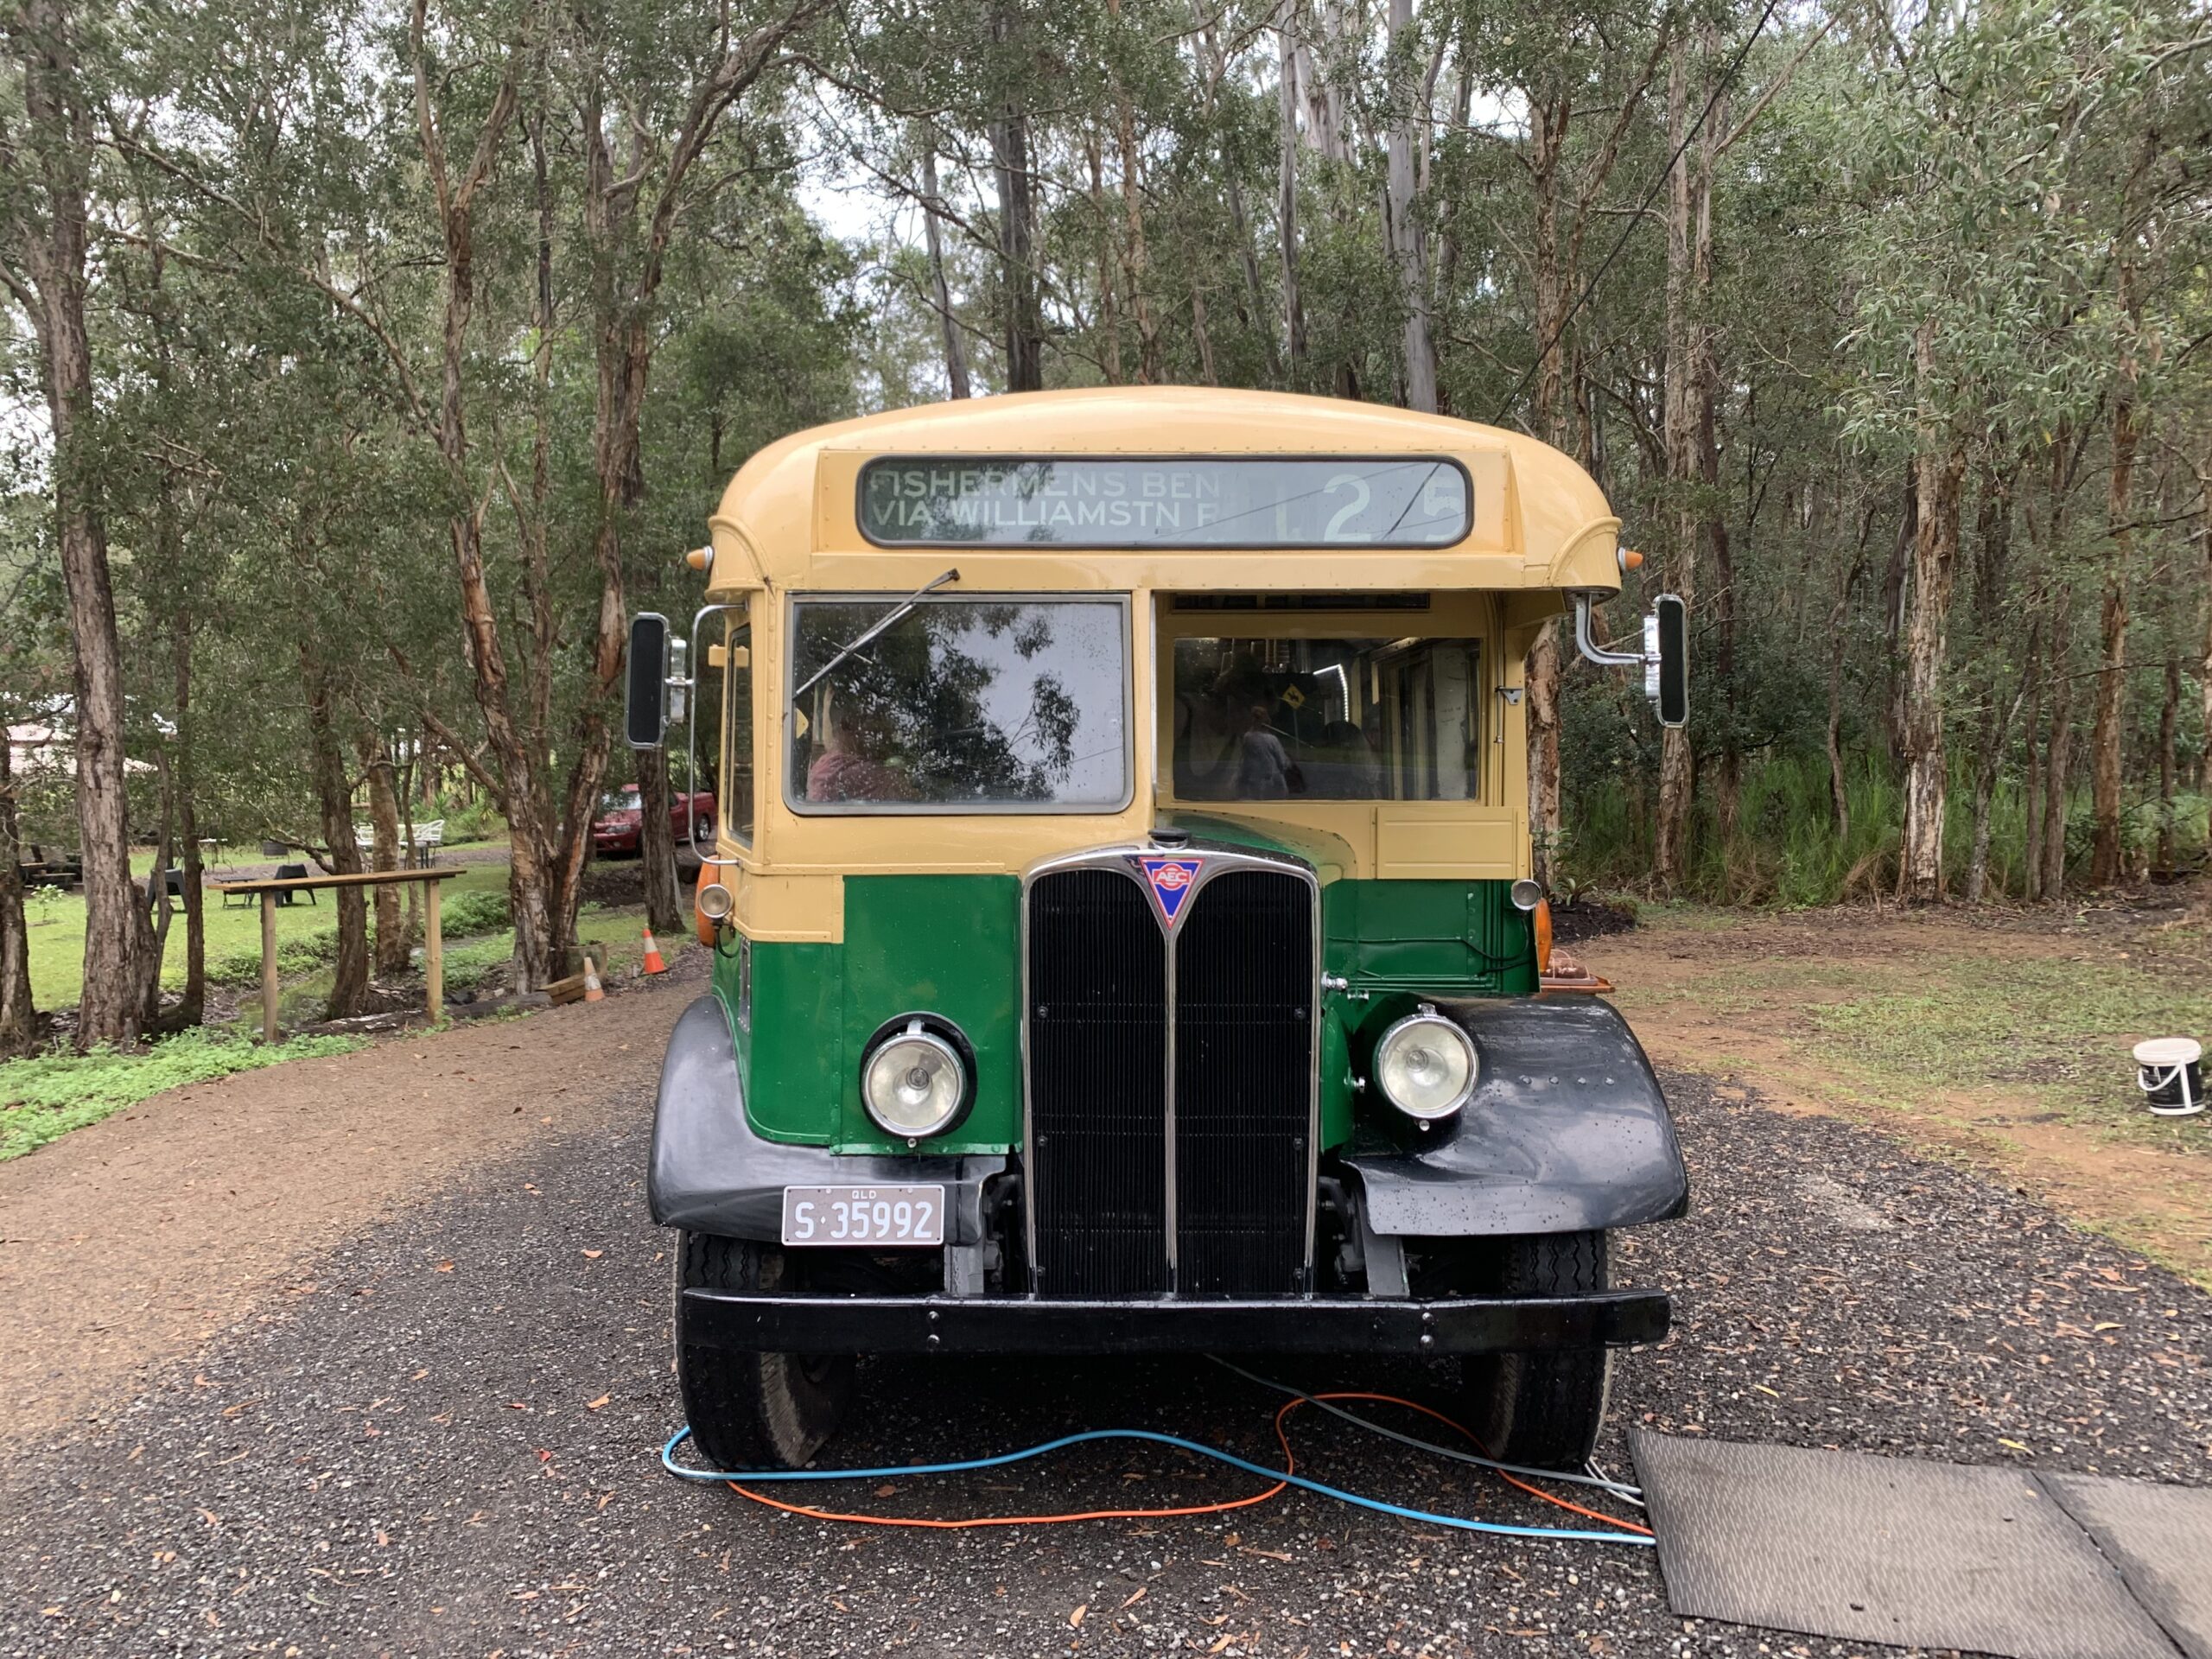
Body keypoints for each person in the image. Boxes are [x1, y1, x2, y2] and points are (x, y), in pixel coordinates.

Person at [805, 693, 906, 802]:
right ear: (847, 724)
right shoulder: (862, 773)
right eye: (864, 722)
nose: (867, 732)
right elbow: (911, 796)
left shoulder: (822, 765)